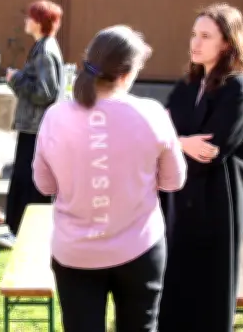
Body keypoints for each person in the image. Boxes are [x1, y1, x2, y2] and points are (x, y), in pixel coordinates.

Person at [32, 25, 187, 332]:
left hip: (76, 251)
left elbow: (44, 185)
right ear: (126, 74)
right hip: (139, 247)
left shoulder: (55, 117)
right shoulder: (152, 114)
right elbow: (174, 181)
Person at [158, 2, 243, 332]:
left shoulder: (238, 88)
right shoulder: (188, 85)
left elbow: (211, 151)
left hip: (215, 206)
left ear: (227, 43)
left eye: (206, 36)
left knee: (207, 297)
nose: (195, 43)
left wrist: (175, 140)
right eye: (194, 34)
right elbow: (160, 131)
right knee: (174, 293)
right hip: (179, 202)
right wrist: (181, 142)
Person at [3, 0, 64, 245]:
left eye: (30, 17)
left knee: (27, 179)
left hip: (36, 128)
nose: (26, 21)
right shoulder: (44, 47)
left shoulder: (45, 50)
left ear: (39, 22)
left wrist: (15, 79)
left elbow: (45, 92)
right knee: (29, 179)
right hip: (37, 127)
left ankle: (20, 231)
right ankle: (22, 230)